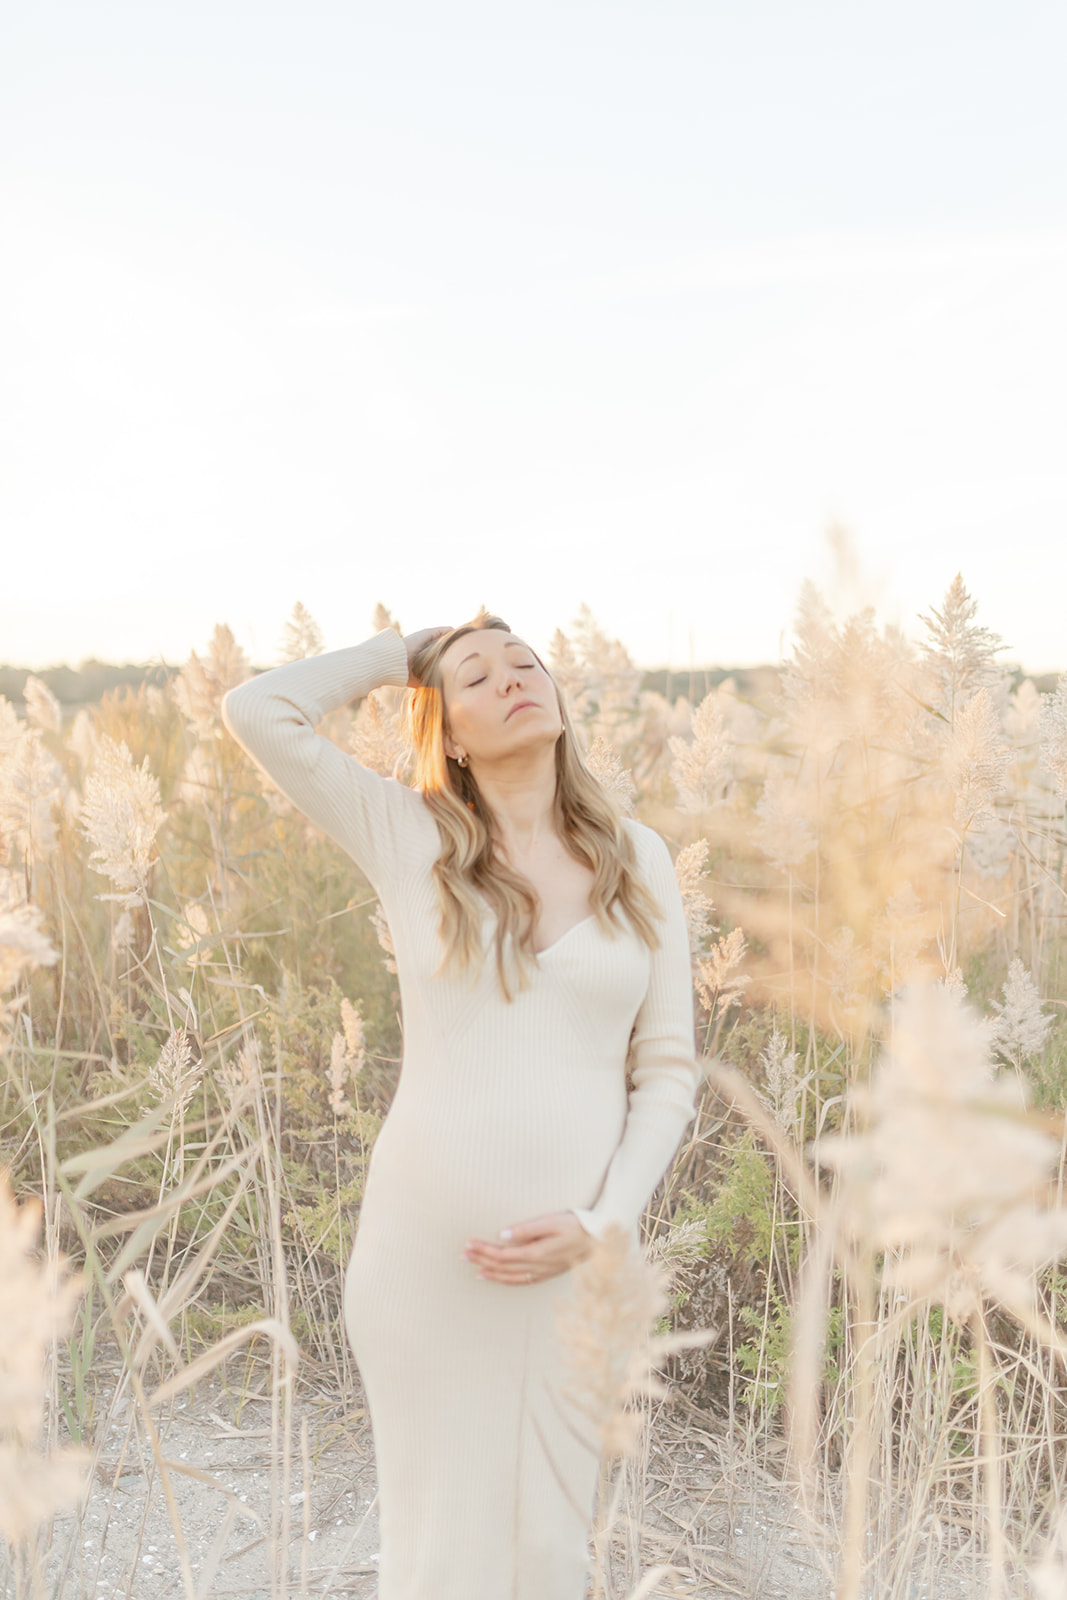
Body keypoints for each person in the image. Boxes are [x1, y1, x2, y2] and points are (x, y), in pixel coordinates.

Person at [221, 612, 699, 1600]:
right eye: (476, 677)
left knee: (550, 1557)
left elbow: (666, 1074)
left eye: (526, 662)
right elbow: (254, 710)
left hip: (580, 1265)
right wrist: (402, 655)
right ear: (442, 728)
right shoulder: (406, 833)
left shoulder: (637, 856)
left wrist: (603, 1224)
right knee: (439, 1557)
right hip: (427, 1259)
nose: (513, 677)